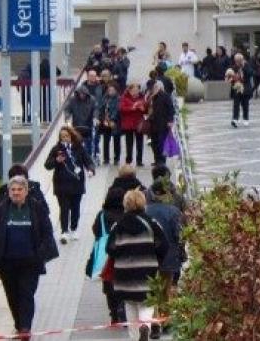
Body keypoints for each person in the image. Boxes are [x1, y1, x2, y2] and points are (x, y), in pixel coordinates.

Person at [0, 176, 60, 337]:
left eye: (19, 189)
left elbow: (47, 234)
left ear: (26, 191)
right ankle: (19, 325)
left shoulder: (37, 208)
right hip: (6, 264)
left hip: (30, 263)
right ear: (9, 192)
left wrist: (39, 255)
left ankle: (25, 328)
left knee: (26, 295)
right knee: (12, 296)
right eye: (13, 190)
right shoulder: (1, 210)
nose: (16, 193)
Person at [106, 190, 168, 341]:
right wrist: (155, 260)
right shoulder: (152, 224)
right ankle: (145, 326)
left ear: (126, 204)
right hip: (147, 272)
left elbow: (109, 248)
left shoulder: (118, 225)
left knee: (130, 304)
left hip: (124, 276)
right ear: (143, 203)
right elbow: (164, 246)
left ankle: (134, 337)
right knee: (147, 302)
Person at [145, 179, 185, 330]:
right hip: (169, 256)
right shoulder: (174, 211)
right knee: (166, 290)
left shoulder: (145, 210)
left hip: (149, 256)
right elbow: (178, 235)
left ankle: (154, 320)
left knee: (152, 289)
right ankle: (165, 320)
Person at [44, 126, 95, 243]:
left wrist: (91, 170)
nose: (65, 139)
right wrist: (56, 161)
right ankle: (64, 231)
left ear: (71, 136)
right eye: (62, 137)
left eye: (66, 136)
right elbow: (47, 165)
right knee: (64, 208)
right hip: (61, 184)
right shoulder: (56, 149)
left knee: (76, 207)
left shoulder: (79, 148)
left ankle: (74, 228)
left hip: (76, 182)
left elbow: (88, 160)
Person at [89, 187, 128, 325]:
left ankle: (114, 314)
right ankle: (123, 308)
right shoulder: (127, 214)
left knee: (108, 283)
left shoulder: (102, 214)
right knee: (123, 281)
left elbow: (96, 230)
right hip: (124, 253)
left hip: (106, 254)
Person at [66, 85, 98, 162]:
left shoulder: (92, 100)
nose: (82, 96)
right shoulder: (72, 100)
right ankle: (76, 158)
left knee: (89, 143)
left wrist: (95, 118)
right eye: (80, 94)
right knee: (76, 143)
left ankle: (88, 158)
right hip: (76, 126)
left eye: (83, 94)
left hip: (88, 125)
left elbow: (96, 109)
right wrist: (67, 117)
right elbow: (67, 109)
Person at [147, 81, 175, 167]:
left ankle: (162, 161)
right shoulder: (151, 97)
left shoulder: (165, 96)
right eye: (154, 87)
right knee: (153, 143)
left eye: (156, 87)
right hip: (152, 124)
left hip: (162, 124)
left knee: (161, 143)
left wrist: (170, 121)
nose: (154, 89)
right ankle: (157, 159)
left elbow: (171, 109)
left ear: (160, 88)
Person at [120, 83, 148, 167]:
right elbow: (122, 109)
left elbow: (146, 109)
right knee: (129, 143)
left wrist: (143, 109)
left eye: (137, 90)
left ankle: (139, 160)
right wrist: (132, 108)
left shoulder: (142, 98)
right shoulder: (125, 97)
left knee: (140, 143)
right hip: (128, 123)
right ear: (130, 90)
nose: (136, 92)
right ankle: (128, 160)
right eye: (134, 90)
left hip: (139, 123)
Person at [99, 84, 123, 166]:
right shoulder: (105, 98)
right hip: (106, 122)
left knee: (116, 140)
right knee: (106, 141)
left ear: (116, 90)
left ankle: (116, 158)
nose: (111, 92)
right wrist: (103, 119)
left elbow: (117, 110)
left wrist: (112, 120)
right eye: (109, 90)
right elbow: (101, 109)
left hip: (115, 122)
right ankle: (106, 158)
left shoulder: (119, 99)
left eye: (112, 90)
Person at [229, 54, 254, 128]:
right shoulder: (234, 67)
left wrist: (244, 66)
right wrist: (231, 79)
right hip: (237, 88)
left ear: (241, 60)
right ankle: (235, 119)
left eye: (238, 61)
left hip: (245, 89)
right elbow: (231, 77)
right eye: (236, 61)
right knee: (236, 105)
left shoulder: (247, 66)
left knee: (245, 105)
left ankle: (246, 118)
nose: (237, 62)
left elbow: (251, 73)